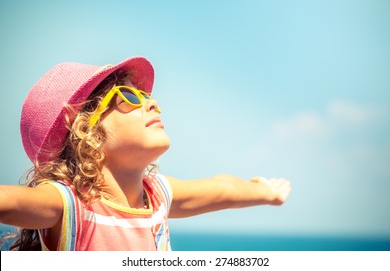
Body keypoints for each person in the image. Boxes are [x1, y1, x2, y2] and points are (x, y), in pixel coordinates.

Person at [0, 56, 291, 251]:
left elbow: (223, 189)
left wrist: (265, 192)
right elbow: (10, 201)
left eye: (148, 97)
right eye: (129, 96)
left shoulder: (157, 196)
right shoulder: (71, 206)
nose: (152, 104)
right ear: (83, 130)